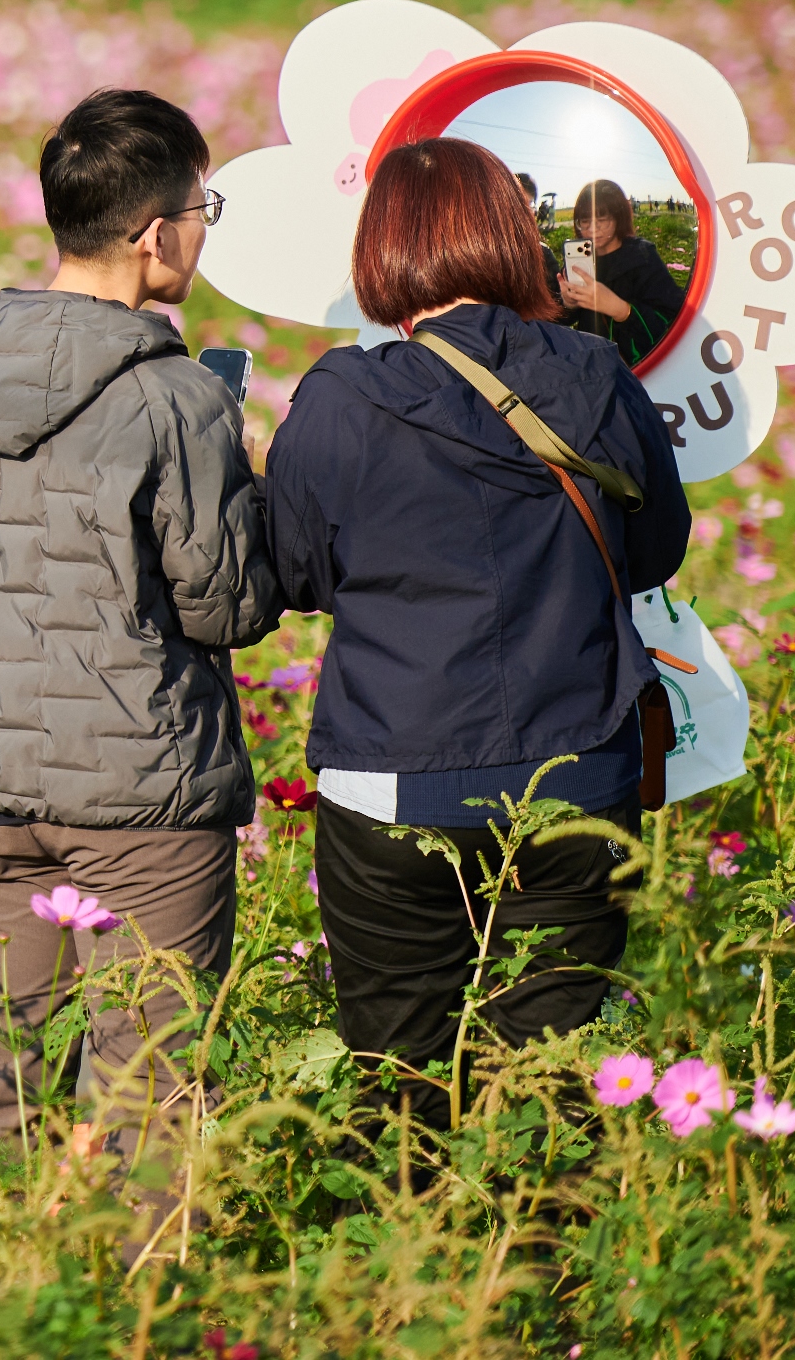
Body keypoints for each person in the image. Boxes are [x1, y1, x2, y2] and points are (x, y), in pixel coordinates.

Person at [0, 89, 278, 1203]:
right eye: (204, 206)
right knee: (147, 1098)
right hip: (143, 805)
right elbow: (225, 608)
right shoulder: (176, 399)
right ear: (155, 233)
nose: (203, 230)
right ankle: (138, 1315)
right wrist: (245, 481)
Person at [261, 139, 687, 1115]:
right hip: (576, 770)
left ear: (382, 251)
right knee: (544, 1090)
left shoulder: (343, 393)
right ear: (508, 234)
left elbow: (292, 572)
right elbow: (654, 550)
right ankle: (534, 1255)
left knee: (401, 1082)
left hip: (395, 778)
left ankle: (424, 1257)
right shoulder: (593, 372)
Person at [559, 178, 685, 365]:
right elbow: (565, 320)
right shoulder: (580, 261)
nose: (593, 229)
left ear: (619, 218)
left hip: (641, 368)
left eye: (602, 220)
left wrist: (621, 310)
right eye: (585, 222)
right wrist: (568, 304)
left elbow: (673, 322)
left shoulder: (641, 257)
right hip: (595, 367)